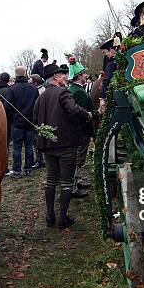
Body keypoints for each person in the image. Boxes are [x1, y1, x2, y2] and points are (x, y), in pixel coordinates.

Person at [34, 63, 92, 229]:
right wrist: (87, 115)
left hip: (48, 146)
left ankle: (50, 217)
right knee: (66, 182)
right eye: (63, 74)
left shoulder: (42, 96)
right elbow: (73, 109)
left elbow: (35, 118)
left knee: (51, 180)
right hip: (65, 144)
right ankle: (62, 220)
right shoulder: (62, 92)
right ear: (56, 77)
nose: (66, 76)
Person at [67, 56, 94, 198]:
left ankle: (77, 180)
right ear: (78, 76)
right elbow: (83, 113)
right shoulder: (78, 91)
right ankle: (73, 187)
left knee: (79, 157)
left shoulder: (75, 88)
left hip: (78, 131)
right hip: (81, 131)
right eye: (84, 74)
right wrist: (96, 113)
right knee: (78, 158)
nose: (86, 75)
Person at [5, 66, 39, 177]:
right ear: (25, 74)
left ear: (15, 75)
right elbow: (37, 106)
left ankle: (17, 170)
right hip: (29, 122)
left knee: (17, 147)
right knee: (29, 146)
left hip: (18, 122)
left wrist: (11, 119)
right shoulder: (34, 89)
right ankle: (28, 168)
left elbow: (7, 108)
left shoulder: (12, 89)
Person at [98, 33, 121, 114]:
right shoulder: (122, 58)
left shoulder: (111, 62)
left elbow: (106, 80)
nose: (106, 54)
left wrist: (102, 99)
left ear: (111, 50)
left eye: (106, 52)